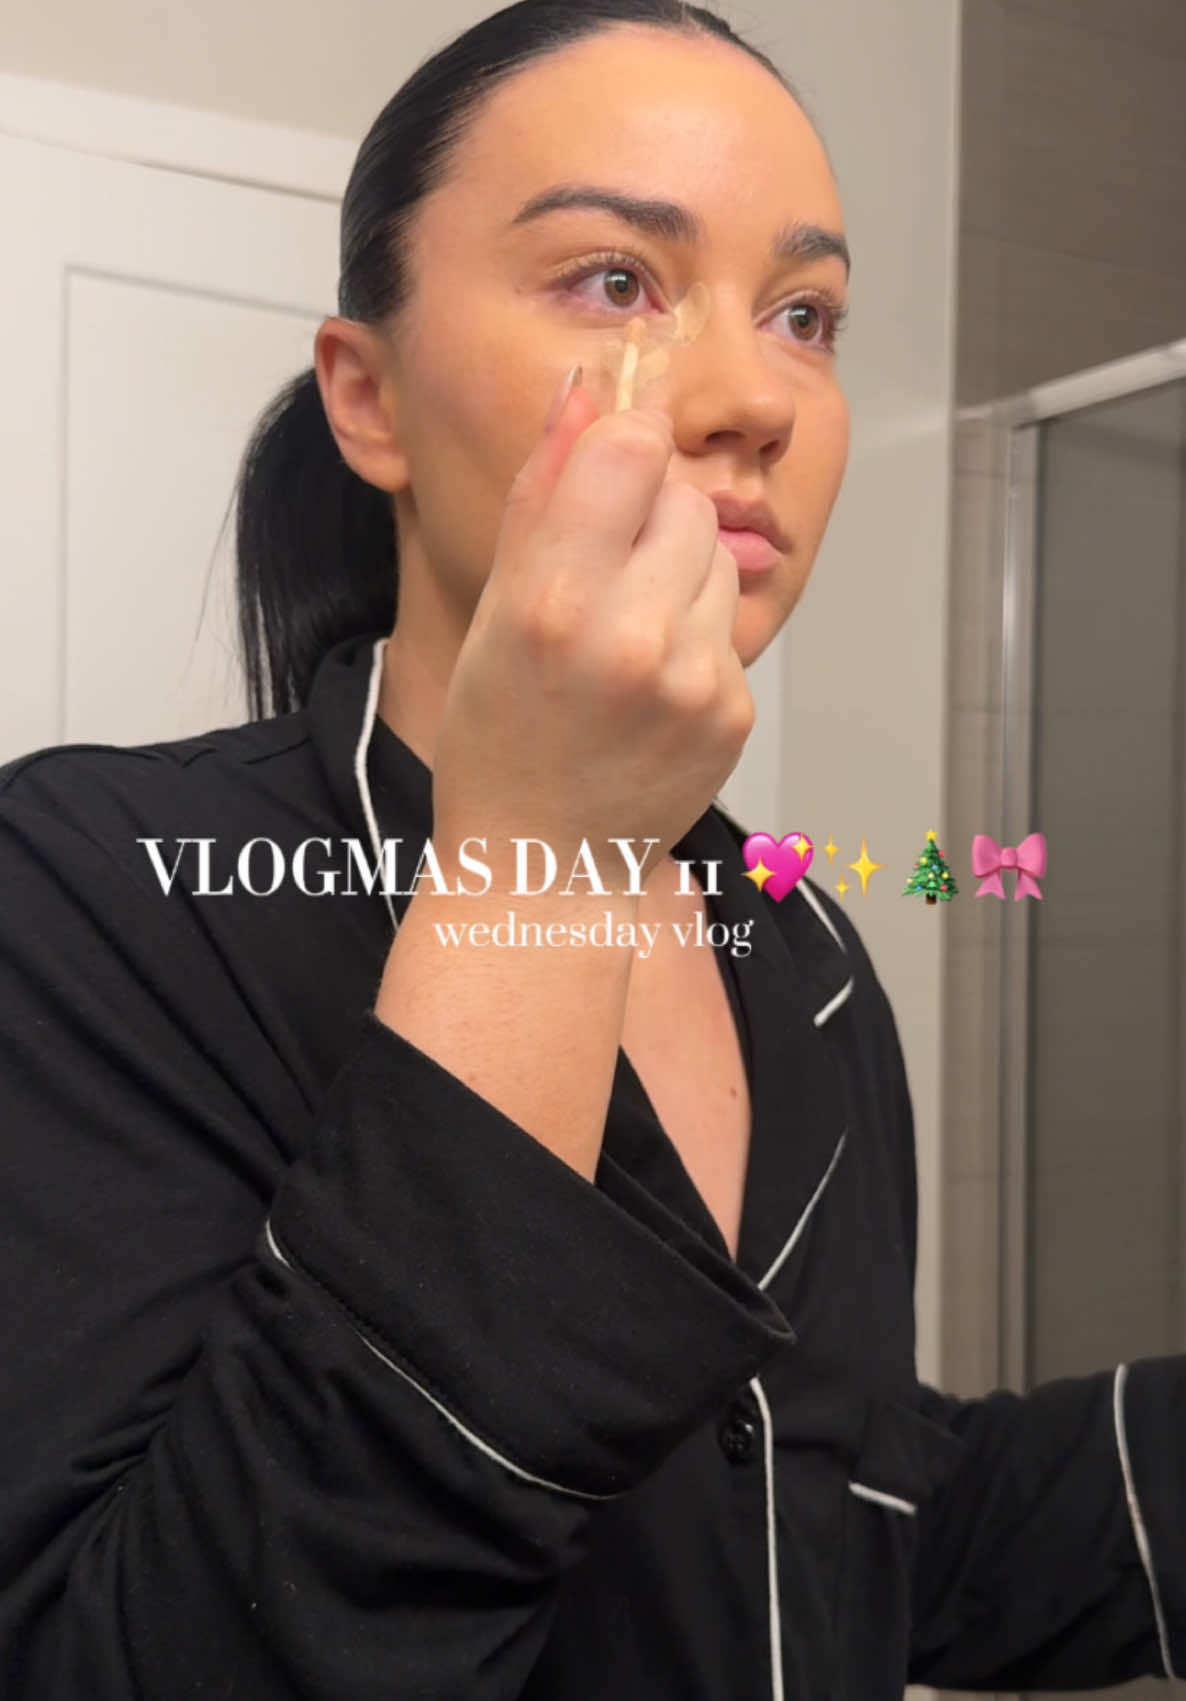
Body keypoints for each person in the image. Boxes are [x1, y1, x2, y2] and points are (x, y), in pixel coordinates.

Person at [1, 0, 1182, 1695]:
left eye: (804, 314)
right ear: (369, 400)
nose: (756, 397)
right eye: (615, 280)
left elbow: (845, 1507)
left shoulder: (805, 958)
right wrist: (541, 850)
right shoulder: (94, 892)